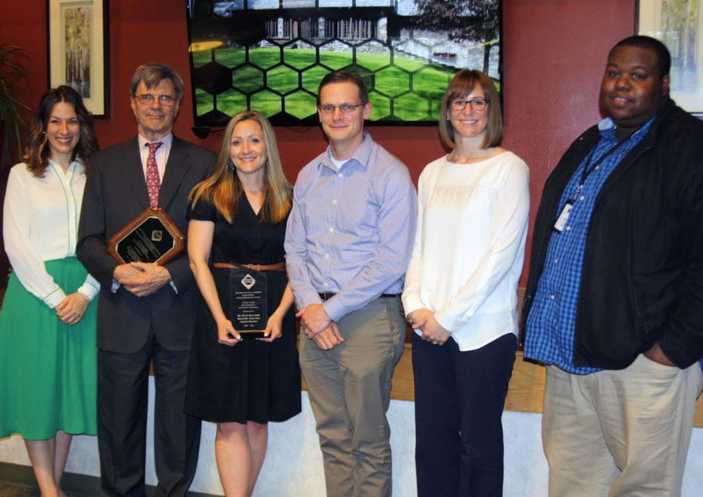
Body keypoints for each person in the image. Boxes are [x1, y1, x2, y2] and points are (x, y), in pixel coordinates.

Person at [522, 35, 703, 497]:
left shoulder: (698, 150)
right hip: (571, 356)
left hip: (644, 364)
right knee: (572, 485)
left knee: (643, 489)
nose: (621, 84)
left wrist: (672, 348)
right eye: (614, 72)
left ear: (664, 84)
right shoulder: (593, 142)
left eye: (638, 74)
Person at [76, 64, 215, 497]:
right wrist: (116, 272)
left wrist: (170, 275)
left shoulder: (204, 163)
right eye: (147, 97)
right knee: (119, 421)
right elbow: (88, 241)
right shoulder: (103, 164)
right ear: (133, 103)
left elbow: (213, 240)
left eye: (166, 98)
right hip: (123, 310)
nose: (157, 105)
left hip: (179, 309)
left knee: (179, 423)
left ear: (177, 106)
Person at [284, 70, 417, 497]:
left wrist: (329, 311)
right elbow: (294, 250)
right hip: (314, 321)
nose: (337, 114)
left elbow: (391, 261)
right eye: (328, 107)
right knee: (334, 436)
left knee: (368, 442)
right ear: (319, 113)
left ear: (366, 110)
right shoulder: (307, 176)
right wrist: (310, 308)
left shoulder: (391, 175)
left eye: (347, 106)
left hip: (368, 320)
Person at [402, 69, 529, 497]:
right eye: (460, 101)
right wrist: (413, 306)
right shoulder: (432, 172)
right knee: (433, 445)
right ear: (448, 112)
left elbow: (501, 257)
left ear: (491, 110)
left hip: (483, 332)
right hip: (428, 329)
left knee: (479, 448)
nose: (468, 110)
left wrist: (449, 318)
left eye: (478, 101)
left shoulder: (509, 169)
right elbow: (418, 248)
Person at [184, 111, 300, 497]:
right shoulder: (207, 195)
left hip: (273, 319)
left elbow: (300, 262)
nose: (245, 149)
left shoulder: (291, 197)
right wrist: (218, 317)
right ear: (226, 149)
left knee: (257, 420)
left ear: (268, 145)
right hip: (222, 319)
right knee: (230, 420)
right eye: (236, 141)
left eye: (253, 140)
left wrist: (282, 313)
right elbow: (198, 259)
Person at [0, 85, 100, 497]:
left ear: (82, 126)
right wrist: (56, 297)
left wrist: (86, 292)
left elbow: (108, 240)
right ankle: (49, 489)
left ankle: (52, 485)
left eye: (72, 120)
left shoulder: (96, 174)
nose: (64, 129)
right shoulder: (22, 176)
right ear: (42, 126)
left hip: (84, 294)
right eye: (55, 120)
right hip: (35, 296)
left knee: (67, 396)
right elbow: (14, 244)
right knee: (39, 392)